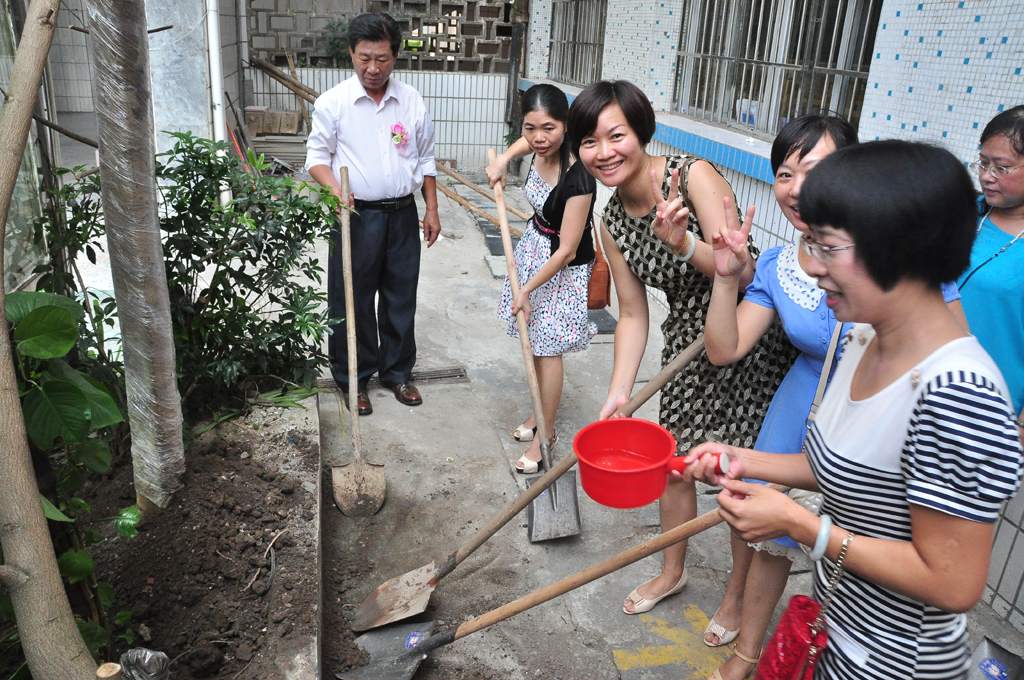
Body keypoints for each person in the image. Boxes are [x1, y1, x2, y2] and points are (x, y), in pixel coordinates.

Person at [684, 140, 1024, 680]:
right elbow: (836, 465)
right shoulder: (865, 335)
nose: (813, 269)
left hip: (897, 663)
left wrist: (802, 526)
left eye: (828, 248)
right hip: (837, 632)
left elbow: (953, 582)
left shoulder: (958, 391)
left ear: (902, 248)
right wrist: (741, 459)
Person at [564, 80, 798, 615]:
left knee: (741, 478)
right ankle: (672, 570)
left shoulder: (691, 176)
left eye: (616, 135)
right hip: (687, 344)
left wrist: (686, 244)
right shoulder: (612, 219)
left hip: (747, 335)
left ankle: (737, 596)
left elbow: (739, 273)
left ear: (642, 131)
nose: (604, 153)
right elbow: (631, 313)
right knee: (674, 465)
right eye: (589, 142)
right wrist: (619, 394)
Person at [305, 12, 440, 416]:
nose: (373, 68)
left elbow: (427, 158)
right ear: (351, 53)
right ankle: (354, 378)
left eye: (382, 59)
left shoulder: (410, 99)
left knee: (401, 296)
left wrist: (431, 208)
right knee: (352, 299)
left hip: (401, 214)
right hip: (355, 215)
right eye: (365, 58)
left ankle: (397, 374)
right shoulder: (333, 103)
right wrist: (335, 189)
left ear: (395, 56)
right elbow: (316, 158)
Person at [485, 85, 597, 472]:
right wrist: (502, 159)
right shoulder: (536, 147)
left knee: (548, 351)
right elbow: (524, 144)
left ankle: (546, 435)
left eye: (548, 128)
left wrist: (526, 289)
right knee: (532, 341)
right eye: (530, 128)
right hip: (535, 248)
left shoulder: (579, 179)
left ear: (566, 126)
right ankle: (538, 412)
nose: (538, 138)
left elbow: (566, 251)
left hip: (562, 269)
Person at [959, 106, 1024, 442]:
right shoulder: (963, 213)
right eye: (983, 163)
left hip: (990, 419)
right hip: (919, 390)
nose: (986, 175)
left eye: (1002, 167)